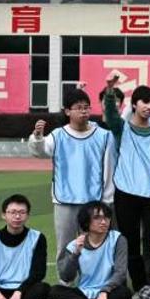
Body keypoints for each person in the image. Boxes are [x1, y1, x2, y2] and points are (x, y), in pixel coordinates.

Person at [100, 76, 150, 290]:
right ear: (134, 104)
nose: (149, 107)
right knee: (130, 243)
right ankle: (139, 287)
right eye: (145, 102)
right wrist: (110, 90)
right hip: (126, 193)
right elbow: (111, 115)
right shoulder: (122, 128)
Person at [28, 88, 114, 252]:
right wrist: (37, 136)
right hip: (64, 199)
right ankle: (65, 271)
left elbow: (108, 170)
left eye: (86, 107)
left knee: (94, 246)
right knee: (65, 247)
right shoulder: (58, 135)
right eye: (79, 107)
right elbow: (40, 152)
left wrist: (106, 200)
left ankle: (92, 271)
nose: (84, 111)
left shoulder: (104, 136)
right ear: (67, 111)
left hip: (93, 200)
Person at [49, 201, 131, 299]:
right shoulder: (75, 245)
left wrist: (104, 292)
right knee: (54, 291)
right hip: (84, 292)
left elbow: (120, 273)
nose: (103, 222)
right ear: (86, 221)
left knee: (124, 293)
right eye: (97, 218)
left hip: (110, 291)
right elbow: (66, 277)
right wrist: (76, 254)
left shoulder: (118, 239)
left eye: (106, 217)